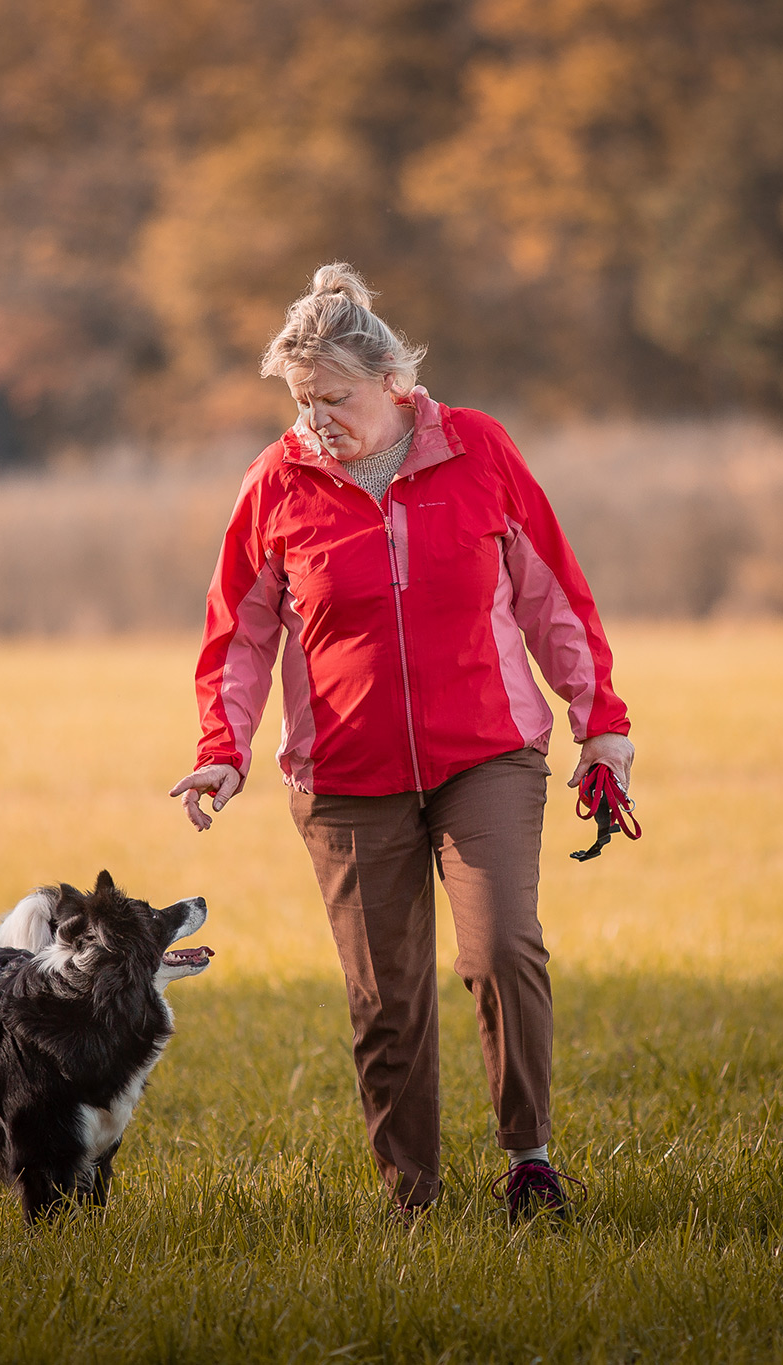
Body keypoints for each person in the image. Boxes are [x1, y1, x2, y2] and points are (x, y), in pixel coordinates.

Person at [170, 263, 635, 1223]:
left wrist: (604, 726)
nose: (317, 420)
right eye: (303, 402)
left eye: (334, 398)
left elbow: (554, 595)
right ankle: (413, 1200)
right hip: (344, 776)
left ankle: (530, 1162)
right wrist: (225, 745)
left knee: (503, 948)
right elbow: (239, 632)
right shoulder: (275, 483)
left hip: (488, 753)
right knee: (386, 998)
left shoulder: (480, 450)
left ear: (393, 382)